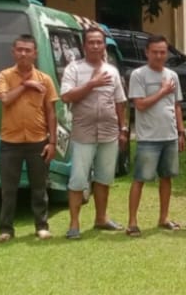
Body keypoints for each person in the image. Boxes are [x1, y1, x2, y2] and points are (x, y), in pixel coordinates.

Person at [59, 27, 127, 239]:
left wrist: (122, 128)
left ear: (104, 45)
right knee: (78, 179)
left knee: (104, 178)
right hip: (84, 132)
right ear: (84, 45)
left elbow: (120, 102)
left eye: (99, 42)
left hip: (109, 132)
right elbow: (67, 97)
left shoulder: (112, 71)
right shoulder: (74, 69)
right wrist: (92, 84)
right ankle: (74, 224)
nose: (96, 46)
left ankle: (101, 218)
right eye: (91, 42)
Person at [0, 34, 59, 242]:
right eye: (19, 49)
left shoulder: (45, 79)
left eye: (27, 50)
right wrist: (26, 86)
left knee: (39, 187)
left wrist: (52, 142)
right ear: (13, 52)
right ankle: (6, 229)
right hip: (10, 143)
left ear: (35, 53)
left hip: (37, 140)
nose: (23, 53)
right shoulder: (5, 76)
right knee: (8, 189)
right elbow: (5, 99)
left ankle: (41, 226)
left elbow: (51, 113)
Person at [125, 35, 185, 235]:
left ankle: (164, 217)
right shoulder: (138, 75)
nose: (159, 56)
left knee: (167, 178)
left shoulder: (172, 76)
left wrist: (181, 131)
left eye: (163, 52)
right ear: (147, 52)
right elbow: (139, 105)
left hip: (169, 136)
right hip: (148, 138)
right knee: (140, 179)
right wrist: (162, 91)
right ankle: (132, 222)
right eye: (155, 52)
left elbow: (176, 106)